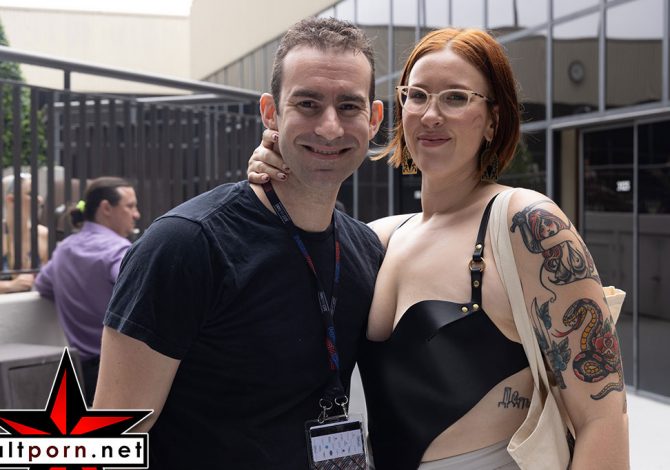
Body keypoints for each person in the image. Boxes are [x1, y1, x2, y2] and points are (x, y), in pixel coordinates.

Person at [248, 28, 628, 469]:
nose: (431, 115)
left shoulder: (526, 223)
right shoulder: (378, 238)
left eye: (456, 98)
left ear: (493, 120)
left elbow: (604, 418)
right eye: (417, 96)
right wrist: (280, 168)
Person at [92, 17, 384, 469]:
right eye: (307, 104)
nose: (330, 127)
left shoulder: (366, 249)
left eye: (349, 106)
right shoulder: (186, 244)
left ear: (374, 119)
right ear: (270, 113)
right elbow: (110, 439)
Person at [35, 177, 140, 405]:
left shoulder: (65, 249)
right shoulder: (118, 251)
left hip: (83, 373)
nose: (136, 214)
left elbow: (43, 285)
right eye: (130, 206)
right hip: (125, 370)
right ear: (106, 208)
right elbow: (144, 295)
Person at [1, 173, 48, 293]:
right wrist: (10, 285)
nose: (39, 199)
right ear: (11, 199)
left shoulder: (43, 235)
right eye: (30, 194)